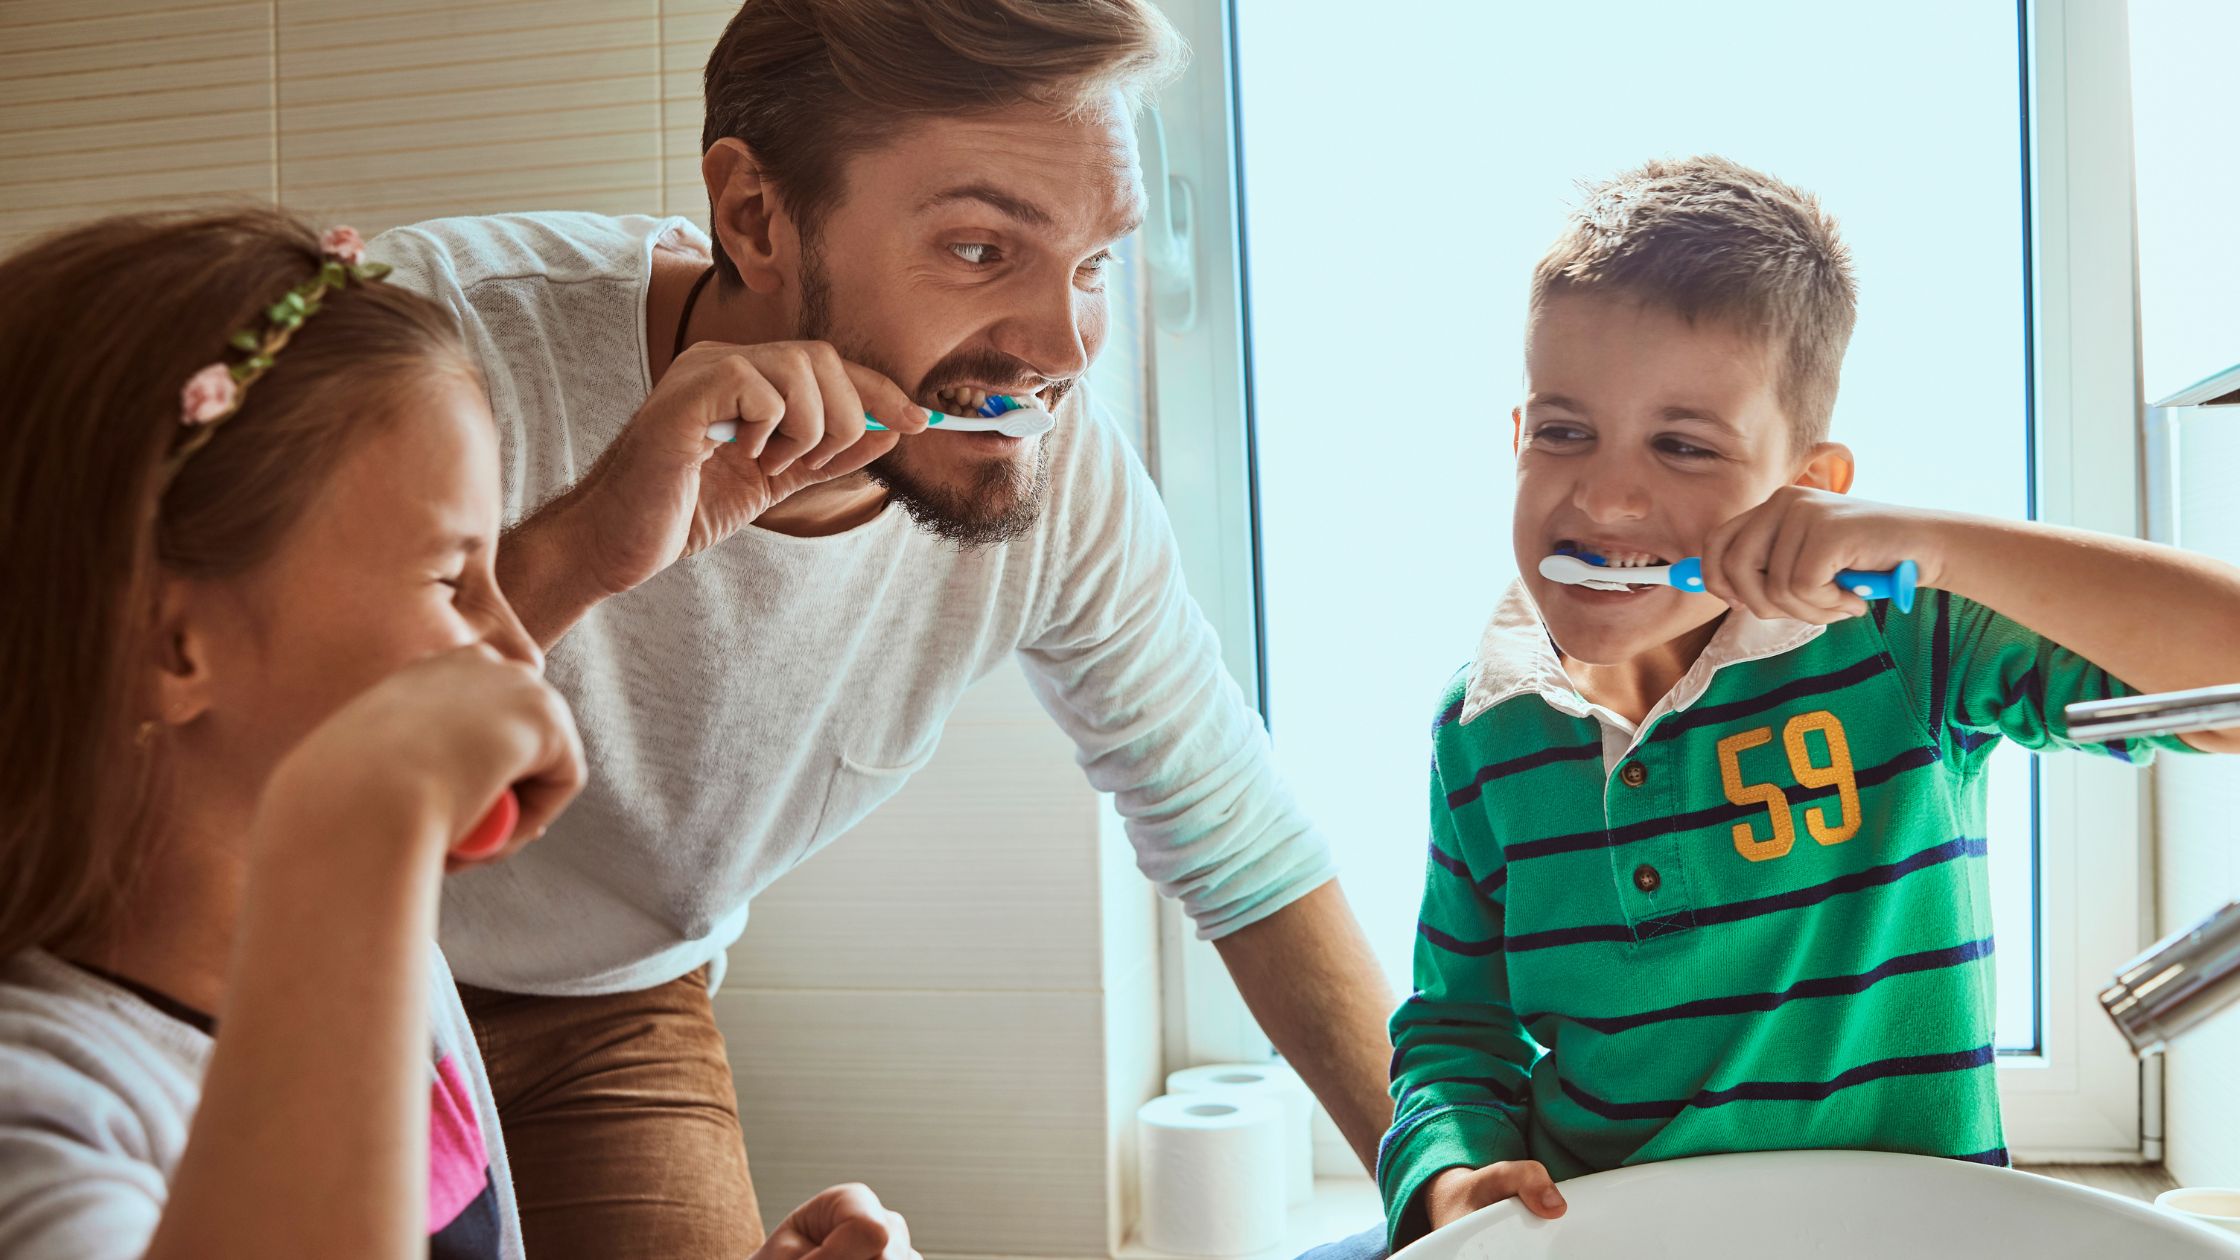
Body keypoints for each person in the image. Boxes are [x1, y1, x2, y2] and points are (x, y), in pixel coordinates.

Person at [366, 3, 1398, 1254]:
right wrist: (581, 550)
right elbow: (213, 743)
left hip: (612, 1007)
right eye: (978, 249)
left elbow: (1238, 844)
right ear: (752, 217)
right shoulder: (442, 342)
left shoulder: (1060, 477)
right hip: (302, 948)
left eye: (1091, 264)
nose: (1063, 346)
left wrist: (1437, 1190)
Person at [0, 208, 918, 1260]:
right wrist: (353, 844)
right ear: (170, 645)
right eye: (449, 577)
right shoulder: (49, 1118)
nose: (517, 648)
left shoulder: (399, 982)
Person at [1377, 156, 2240, 1249]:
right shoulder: (1480, 730)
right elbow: (1455, 1026)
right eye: (1561, 430)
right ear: (1515, 437)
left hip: (1903, 1232)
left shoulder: (1899, 642)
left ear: (1809, 488)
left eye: (1680, 445)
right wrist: (1450, 1178)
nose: (1600, 494)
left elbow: (2228, 692)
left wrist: (1937, 549)